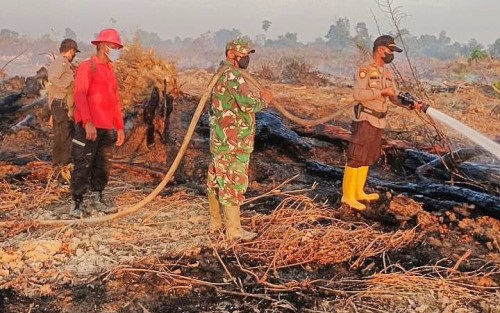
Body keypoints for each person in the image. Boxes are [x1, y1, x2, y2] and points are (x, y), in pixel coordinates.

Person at [342, 35, 423, 211]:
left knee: (368, 156)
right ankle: (347, 196)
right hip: (365, 119)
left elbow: (392, 96)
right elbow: (358, 95)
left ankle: (358, 192)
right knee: (356, 157)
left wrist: (409, 104)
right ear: (380, 49)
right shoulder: (364, 70)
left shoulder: (387, 73)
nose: (391, 54)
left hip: (379, 120)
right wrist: (380, 92)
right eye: (390, 50)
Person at [207, 39, 274, 241]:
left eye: (248, 54)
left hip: (221, 139)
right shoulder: (232, 76)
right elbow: (247, 104)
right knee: (232, 182)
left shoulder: (223, 73)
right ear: (231, 54)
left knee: (217, 179)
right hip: (233, 141)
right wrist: (265, 99)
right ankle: (234, 231)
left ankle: (216, 223)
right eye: (243, 54)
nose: (247, 58)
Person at [69, 28, 125, 218]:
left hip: (106, 126)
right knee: (83, 162)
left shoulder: (110, 69)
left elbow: (115, 99)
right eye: (113, 46)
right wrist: (88, 122)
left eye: (118, 47)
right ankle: (77, 202)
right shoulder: (87, 66)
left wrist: (119, 127)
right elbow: (80, 95)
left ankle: (97, 197)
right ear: (102, 46)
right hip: (88, 126)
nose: (116, 50)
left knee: (102, 165)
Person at [47, 38, 79, 166]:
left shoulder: (60, 63)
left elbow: (51, 89)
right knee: (65, 137)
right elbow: (53, 79)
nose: (74, 56)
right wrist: (68, 86)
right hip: (61, 104)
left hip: (58, 105)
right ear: (71, 51)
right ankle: (64, 166)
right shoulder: (62, 62)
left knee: (60, 137)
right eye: (74, 53)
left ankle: (58, 166)